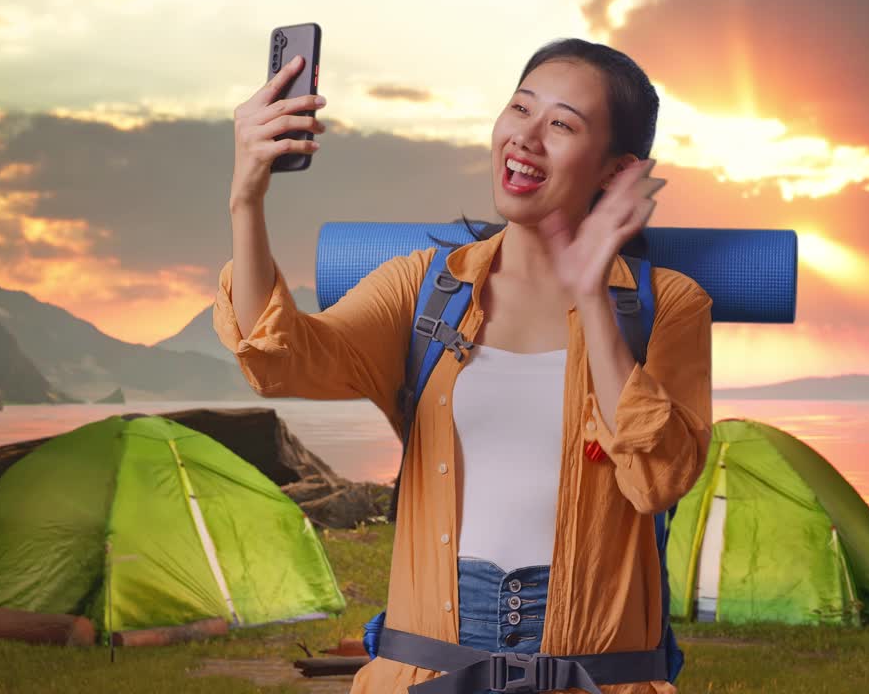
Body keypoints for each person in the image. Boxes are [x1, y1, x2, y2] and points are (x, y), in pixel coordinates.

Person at [214, 38, 713, 694]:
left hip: (597, 675)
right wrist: (246, 200)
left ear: (617, 172)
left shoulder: (667, 306)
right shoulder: (422, 289)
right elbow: (281, 360)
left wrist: (593, 293)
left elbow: (658, 479)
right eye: (520, 109)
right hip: (426, 669)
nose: (526, 137)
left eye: (561, 125)